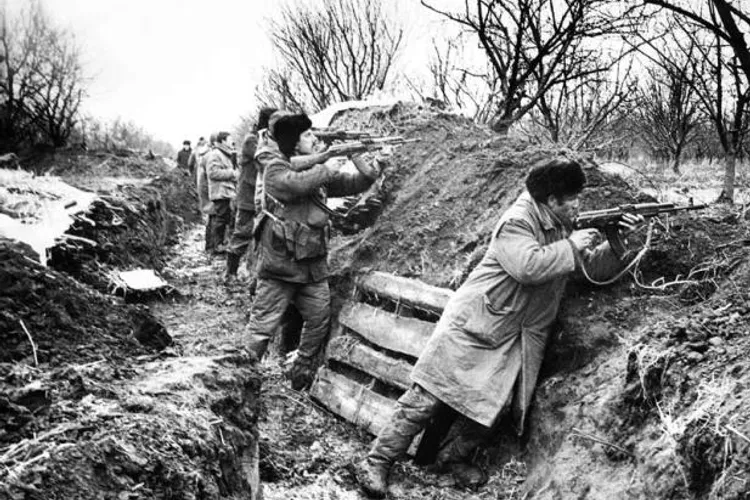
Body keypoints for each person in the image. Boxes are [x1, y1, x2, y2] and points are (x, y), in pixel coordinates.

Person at [355, 158, 645, 498]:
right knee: (428, 397)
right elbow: (528, 266)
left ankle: (449, 461)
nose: (579, 205)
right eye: (573, 199)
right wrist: (571, 245)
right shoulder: (517, 221)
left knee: (496, 406)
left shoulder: (561, 223)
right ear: (552, 200)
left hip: (515, 334)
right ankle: (376, 462)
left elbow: (587, 270)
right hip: (475, 324)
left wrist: (617, 241)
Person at [245, 112, 380, 390]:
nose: (314, 139)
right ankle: (243, 378)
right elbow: (294, 185)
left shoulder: (317, 171)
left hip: (313, 265)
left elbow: (362, 180)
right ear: (294, 144)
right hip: (281, 265)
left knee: (319, 319)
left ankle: (300, 370)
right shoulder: (274, 167)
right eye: (307, 136)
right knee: (262, 326)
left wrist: (354, 153)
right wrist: (329, 161)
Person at [224, 109, 277, 283]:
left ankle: (253, 272)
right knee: (242, 233)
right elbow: (266, 158)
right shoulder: (252, 140)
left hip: (264, 197)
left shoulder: (269, 140)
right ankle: (230, 273)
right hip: (248, 196)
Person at [205, 131, 238, 255]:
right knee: (220, 219)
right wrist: (232, 173)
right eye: (230, 139)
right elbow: (212, 173)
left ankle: (220, 244)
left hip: (226, 191)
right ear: (223, 141)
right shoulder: (215, 154)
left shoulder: (226, 154)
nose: (232, 141)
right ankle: (216, 246)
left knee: (225, 218)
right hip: (220, 192)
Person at [196, 134, 216, 252]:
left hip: (204, 187)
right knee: (214, 215)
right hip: (208, 188)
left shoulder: (205, 154)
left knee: (211, 215)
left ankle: (209, 245)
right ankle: (211, 246)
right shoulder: (210, 156)